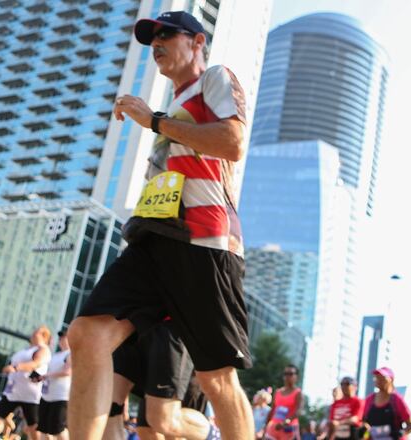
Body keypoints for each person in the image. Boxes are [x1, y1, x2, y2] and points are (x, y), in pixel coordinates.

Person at [68, 8, 254, 440]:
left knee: (216, 378)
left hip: (204, 240)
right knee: (87, 335)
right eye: (152, 38)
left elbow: (233, 142)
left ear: (197, 43)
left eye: (168, 34)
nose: (157, 43)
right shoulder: (174, 104)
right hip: (153, 239)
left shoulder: (215, 78)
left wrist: (153, 120)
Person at [105, 321, 217, 440]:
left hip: (172, 327)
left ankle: (215, 435)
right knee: (144, 429)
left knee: (165, 421)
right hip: (132, 325)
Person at [0, 325, 52, 440]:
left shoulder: (43, 349)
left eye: (36, 332)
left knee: (32, 425)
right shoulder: (26, 350)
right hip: (12, 391)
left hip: (30, 393)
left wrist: (16, 368)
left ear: (43, 336)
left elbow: (36, 364)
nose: (33, 333)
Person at [361, 367, 411, 440]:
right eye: (376, 377)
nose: (379, 380)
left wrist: (401, 433)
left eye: (382, 377)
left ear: (391, 379)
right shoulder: (369, 400)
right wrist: (365, 428)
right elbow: (361, 421)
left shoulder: (396, 399)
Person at [38, 330, 72, 440]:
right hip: (47, 395)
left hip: (61, 396)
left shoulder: (71, 354)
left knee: (58, 429)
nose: (62, 340)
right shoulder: (56, 355)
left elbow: (68, 372)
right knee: (44, 429)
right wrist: (40, 376)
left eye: (65, 337)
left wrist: (47, 375)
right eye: (61, 338)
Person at [264, 365, 302, 440]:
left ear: (296, 377)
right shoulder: (277, 392)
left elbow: (299, 411)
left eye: (290, 374)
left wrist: (285, 422)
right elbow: (273, 410)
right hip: (273, 428)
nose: (287, 376)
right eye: (285, 373)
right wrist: (265, 425)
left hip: (289, 429)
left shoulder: (298, 393)